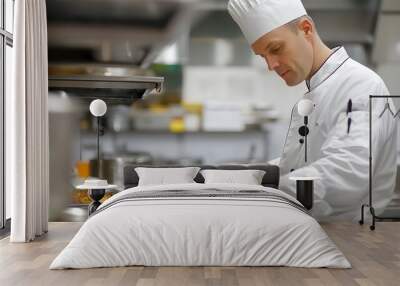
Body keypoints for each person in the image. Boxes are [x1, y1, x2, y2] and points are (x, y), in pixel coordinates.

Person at [228, 0, 397, 221]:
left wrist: (267, 187)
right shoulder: (319, 88)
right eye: (263, 56)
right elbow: (304, 165)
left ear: (306, 29)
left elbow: (347, 173)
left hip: (349, 238)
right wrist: (254, 173)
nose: (271, 65)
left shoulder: (360, 85)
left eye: (276, 49)